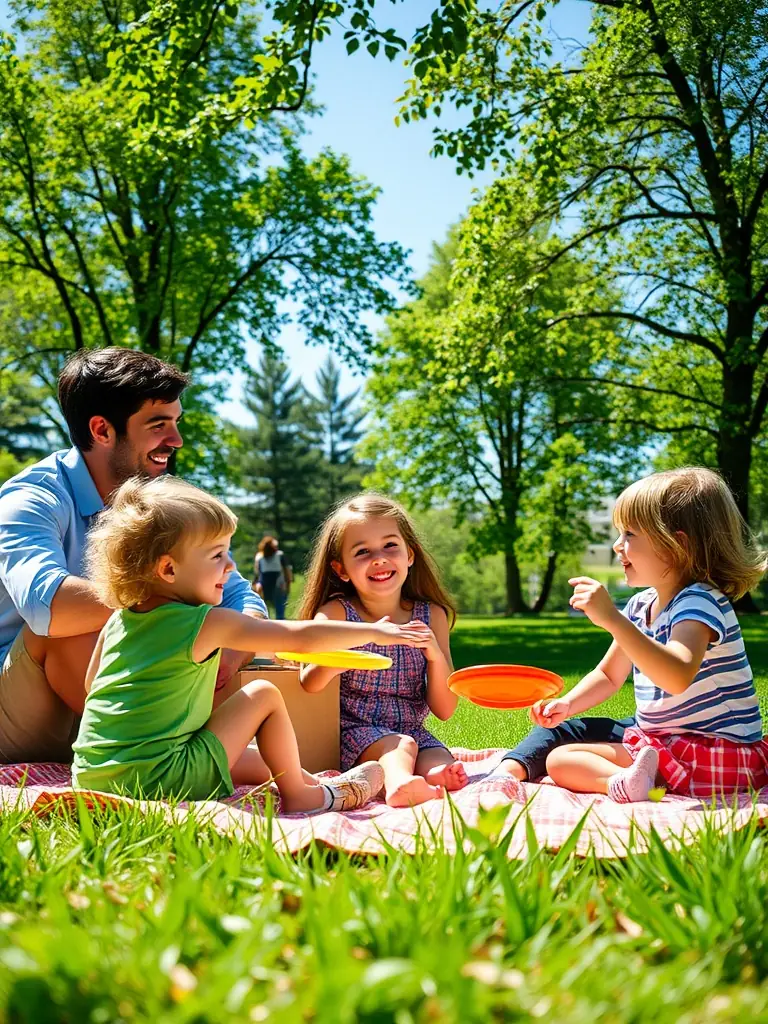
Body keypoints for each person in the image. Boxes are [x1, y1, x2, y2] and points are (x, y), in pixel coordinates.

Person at [72, 477, 431, 810]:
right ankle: (305, 796)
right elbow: (299, 636)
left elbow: (93, 686)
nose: (230, 567)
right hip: (160, 780)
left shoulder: (119, 619)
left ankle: (315, 783)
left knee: (253, 757)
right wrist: (375, 632)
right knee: (262, 694)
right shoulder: (207, 623)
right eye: (217, 556)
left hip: (92, 777)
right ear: (168, 570)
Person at [0, 348, 267, 764]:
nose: (176, 440)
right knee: (66, 626)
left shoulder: (163, 507)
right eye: (159, 425)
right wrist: (169, 610)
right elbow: (46, 607)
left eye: (176, 423)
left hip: (101, 702)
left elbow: (239, 596)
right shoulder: (30, 500)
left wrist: (233, 649)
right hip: (20, 711)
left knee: (207, 630)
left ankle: (201, 759)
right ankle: (146, 759)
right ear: (102, 430)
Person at [497, 467, 768, 802]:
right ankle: (628, 782)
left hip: (716, 752)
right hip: (665, 742)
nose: (616, 545)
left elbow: (677, 674)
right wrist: (567, 704)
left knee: (563, 759)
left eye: (630, 535)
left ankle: (633, 782)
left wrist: (612, 620)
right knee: (561, 757)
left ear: (676, 545)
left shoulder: (700, 601)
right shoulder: (642, 605)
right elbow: (609, 675)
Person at [297, 493, 468, 808]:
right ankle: (399, 784)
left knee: (435, 756)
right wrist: (346, 652)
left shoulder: (432, 616)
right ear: (342, 569)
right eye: (362, 552)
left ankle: (431, 779)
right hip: (352, 732)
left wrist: (434, 655)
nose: (379, 558)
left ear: (410, 555)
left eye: (390, 545)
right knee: (399, 747)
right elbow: (310, 682)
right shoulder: (336, 614)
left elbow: (444, 710)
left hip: (412, 728)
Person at [254, 536, 292, 619]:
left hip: (264, 585)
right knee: (280, 612)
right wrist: (288, 582)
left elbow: (257, 573)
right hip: (279, 585)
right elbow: (287, 571)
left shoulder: (259, 557)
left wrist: (255, 585)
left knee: (265, 612)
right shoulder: (280, 555)